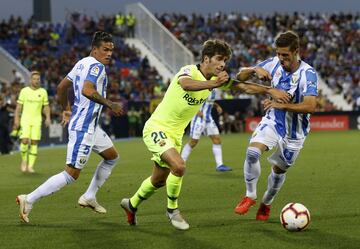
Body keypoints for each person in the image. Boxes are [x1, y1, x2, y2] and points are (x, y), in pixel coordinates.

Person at [120, 39, 290, 230]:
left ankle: (131, 204)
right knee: (179, 166)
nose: (222, 64)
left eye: (225, 60)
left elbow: (241, 86)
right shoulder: (189, 71)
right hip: (156, 128)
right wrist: (213, 83)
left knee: (158, 180)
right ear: (206, 58)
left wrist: (269, 90)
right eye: (219, 59)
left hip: (175, 135)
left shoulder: (215, 82)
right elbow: (185, 84)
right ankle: (172, 211)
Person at [16, 31, 124, 223]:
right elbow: (87, 90)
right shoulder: (96, 66)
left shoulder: (81, 63)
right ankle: (28, 199)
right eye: (105, 50)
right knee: (71, 174)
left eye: (111, 50)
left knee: (112, 157)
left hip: (91, 126)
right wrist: (111, 104)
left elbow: (60, 87)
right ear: (95, 49)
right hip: (83, 128)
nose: (109, 54)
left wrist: (66, 109)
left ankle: (89, 196)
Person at [234, 31, 318, 221]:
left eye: (285, 55)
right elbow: (240, 80)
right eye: (278, 54)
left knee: (279, 171)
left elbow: (311, 106)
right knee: (252, 153)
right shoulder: (273, 63)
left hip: (295, 134)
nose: (280, 58)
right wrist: (255, 69)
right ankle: (250, 195)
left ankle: (266, 203)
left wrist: (282, 104)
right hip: (273, 121)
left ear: (296, 52)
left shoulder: (308, 73)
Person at [181, 89, 232, 172]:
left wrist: (216, 106)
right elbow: (187, 100)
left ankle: (220, 165)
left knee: (217, 140)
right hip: (198, 119)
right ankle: (181, 162)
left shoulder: (213, 89)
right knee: (193, 142)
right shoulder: (201, 87)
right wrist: (196, 111)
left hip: (208, 119)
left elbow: (209, 101)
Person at [13, 71, 51, 173]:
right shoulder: (24, 91)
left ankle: (30, 166)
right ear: (30, 80)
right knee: (24, 140)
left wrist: (48, 117)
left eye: (38, 79)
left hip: (37, 120)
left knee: (34, 142)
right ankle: (24, 161)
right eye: (34, 79)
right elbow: (18, 107)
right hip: (25, 119)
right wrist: (16, 119)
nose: (36, 81)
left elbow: (46, 106)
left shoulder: (43, 92)